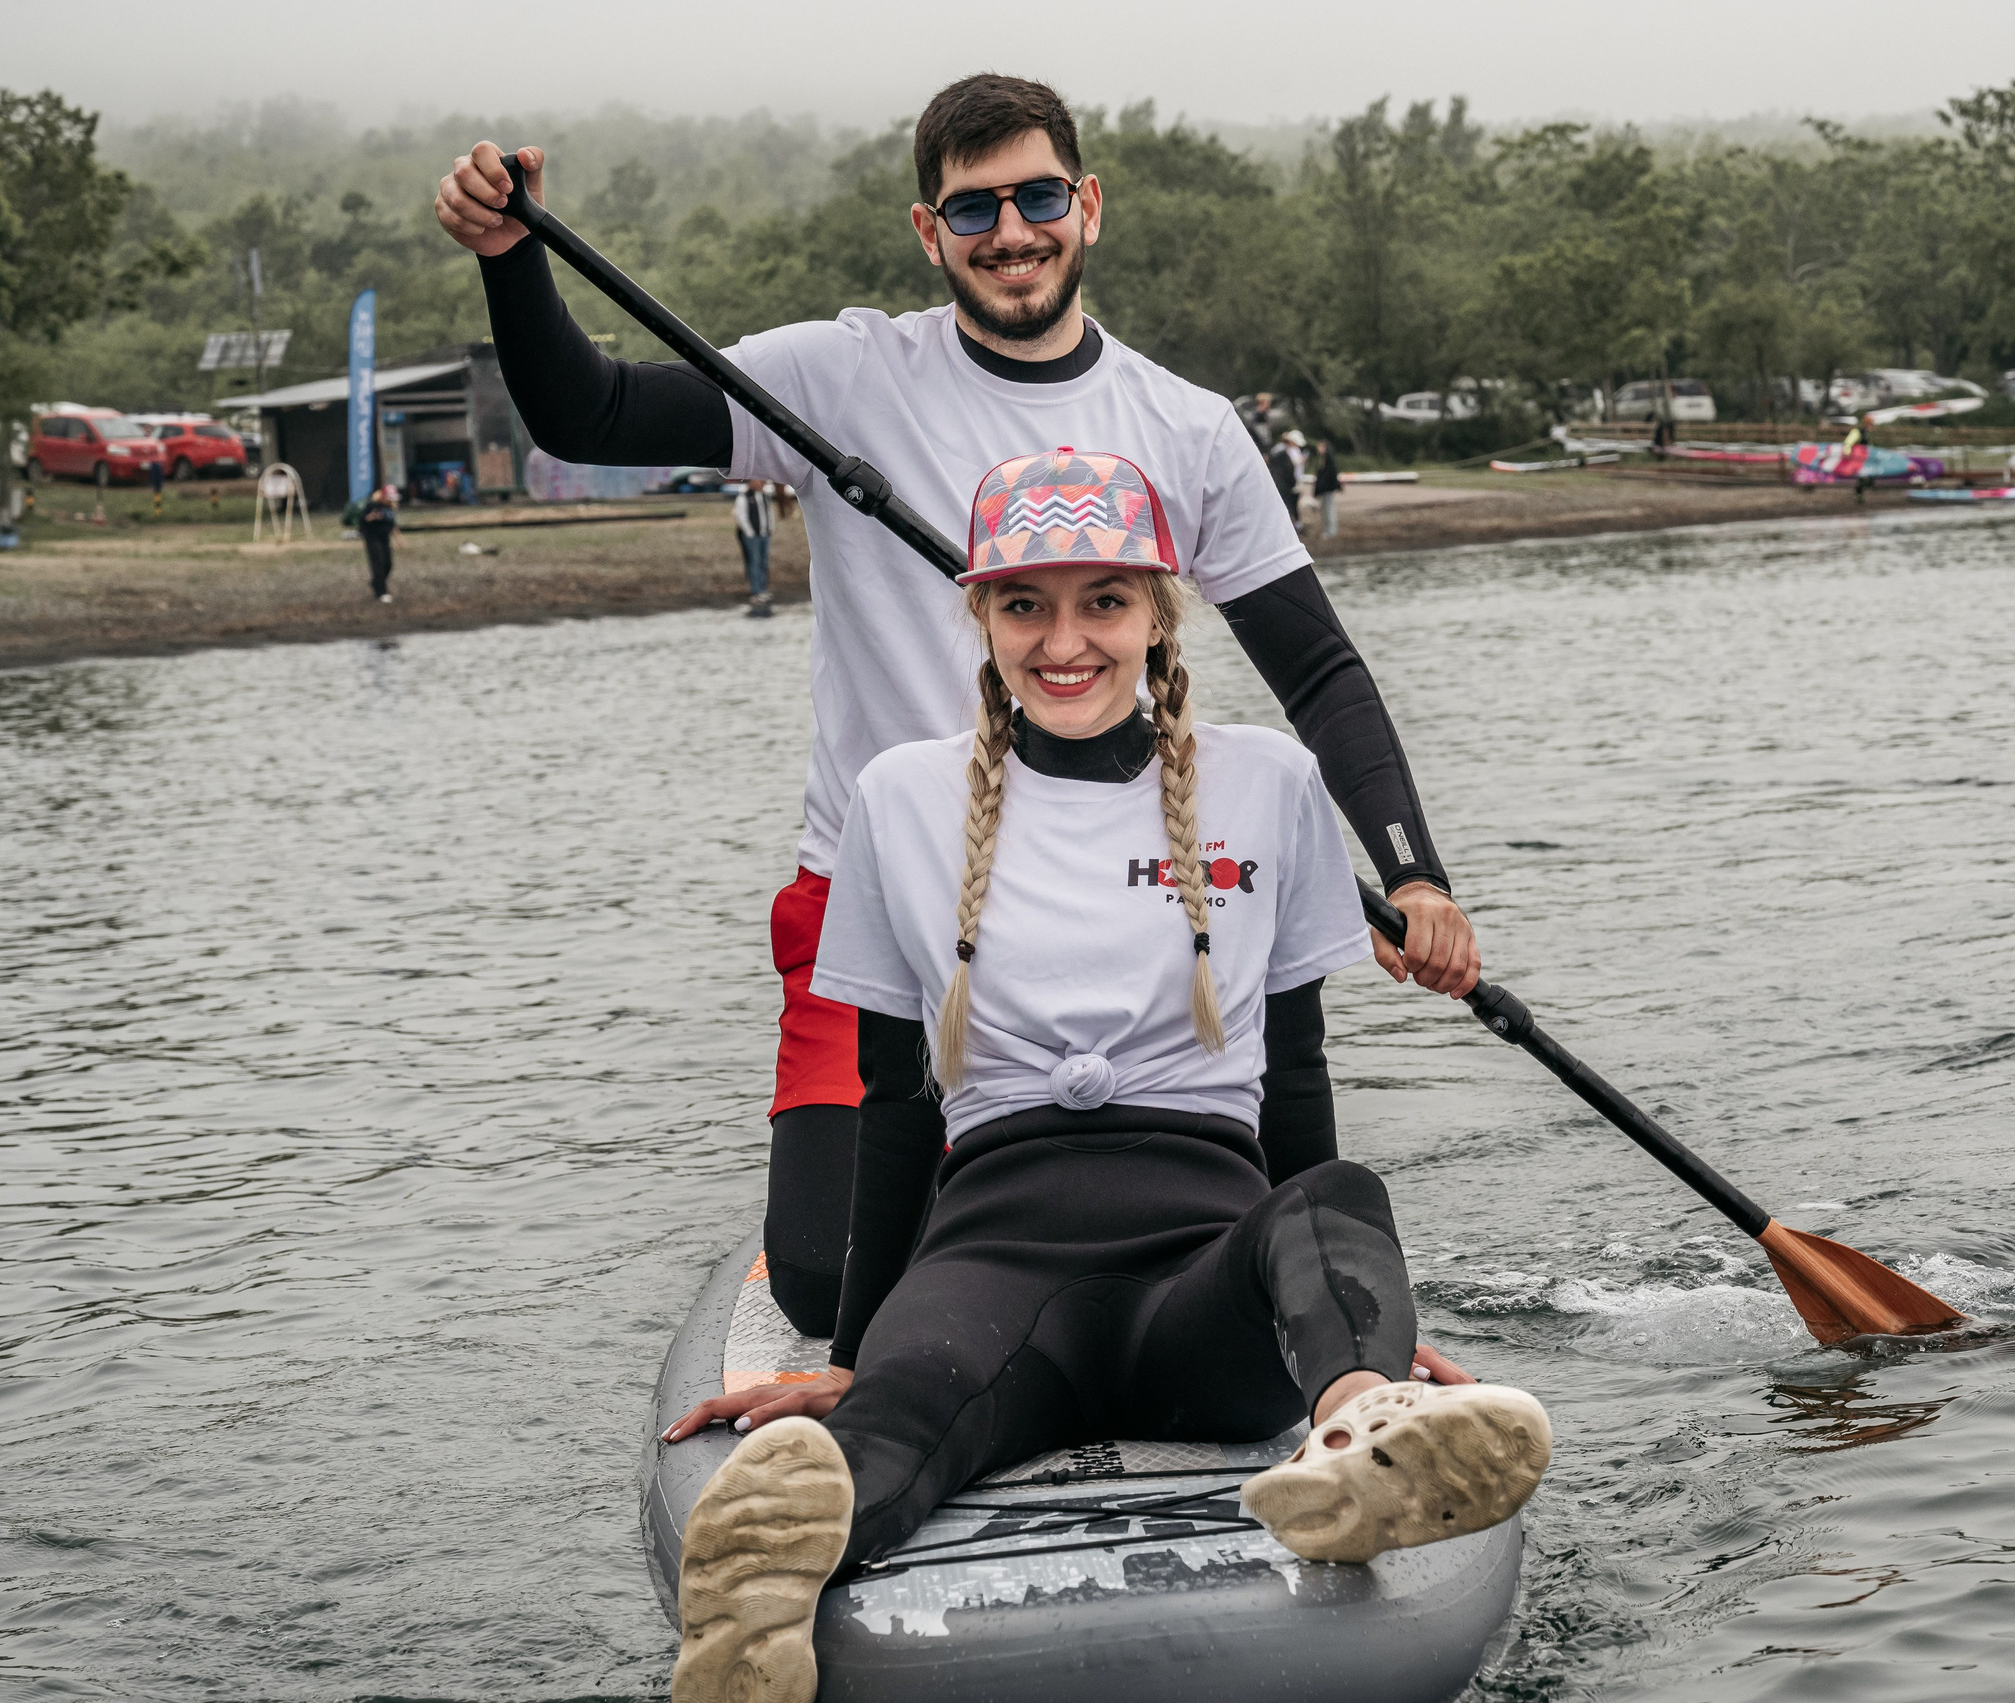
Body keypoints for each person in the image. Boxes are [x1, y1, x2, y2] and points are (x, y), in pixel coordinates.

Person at [436, 76, 1482, 1339]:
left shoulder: (1188, 430)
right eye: (973, 208)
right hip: (884, 898)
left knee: (1236, 1236)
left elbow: (1318, 670)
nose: (1011, 230)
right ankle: (976, 1259)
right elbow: (589, 410)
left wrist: (1410, 874)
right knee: (825, 1287)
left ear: (1085, 207)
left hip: (1140, 898)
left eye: (1038, 196)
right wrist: (510, 260)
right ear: (930, 233)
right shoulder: (840, 375)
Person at [657, 450, 1551, 1703]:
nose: (1063, 639)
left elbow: (1295, 1086)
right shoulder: (901, 798)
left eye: (1102, 603)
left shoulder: (1270, 783)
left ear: (1157, 612)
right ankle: (773, 1560)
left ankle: (1364, 1434)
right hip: (991, 1259)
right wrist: (853, 1343)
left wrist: (1347, 1320)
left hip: (1207, 1269)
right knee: (905, 1397)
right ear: (979, 615)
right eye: (1024, 604)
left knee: (1340, 1194)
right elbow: (896, 1102)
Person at [734, 477, 777, 617]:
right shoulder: (744, 497)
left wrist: (770, 528)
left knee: (763, 562)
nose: (761, 483)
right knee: (754, 562)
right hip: (752, 536)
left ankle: (763, 589)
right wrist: (750, 532)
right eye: (758, 481)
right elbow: (741, 515)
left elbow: (769, 514)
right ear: (751, 482)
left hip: (764, 534)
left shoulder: (764, 496)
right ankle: (755, 591)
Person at [357, 484, 399, 602]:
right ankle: (381, 592)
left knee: (388, 564)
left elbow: (392, 524)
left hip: (384, 539)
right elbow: (363, 520)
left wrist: (398, 539)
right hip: (372, 538)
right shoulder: (372, 506)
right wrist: (371, 518)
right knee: (378, 564)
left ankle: (376, 582)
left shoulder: (390, 508)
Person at [1267, 427, 1305, 532]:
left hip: (1288, 482)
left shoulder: (1285, 450)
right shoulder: (1282, 452)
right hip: (1286, 484)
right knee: (1288, 504)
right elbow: (1287, 469)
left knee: (1292, 504)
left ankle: (1295, 525)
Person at [1313, 437, 1343, 538]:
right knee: (1325, 509)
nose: (1318, 448)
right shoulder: (1324, 459)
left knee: (1329, 510)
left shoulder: (1328, 459)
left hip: (1327, 489)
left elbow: (1330, 474)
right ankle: (1329, 530)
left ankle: (1331, 531)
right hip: (1326, 489)